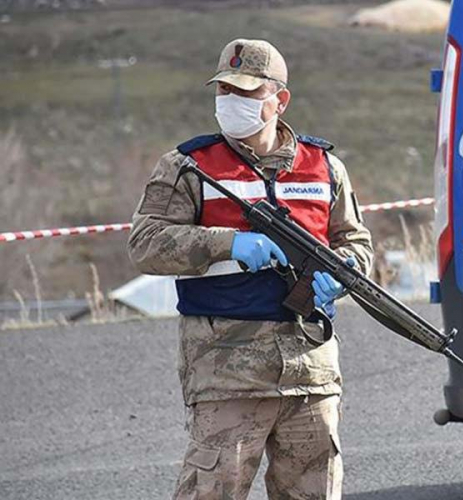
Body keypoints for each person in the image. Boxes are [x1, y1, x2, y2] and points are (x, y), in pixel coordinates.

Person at [127, 38, 373, 500]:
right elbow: (144, 245)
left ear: (279, 100)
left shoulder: (325, 168)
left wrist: (341, 274)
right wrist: (228, 243)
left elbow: (355, 242)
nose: (231, 103)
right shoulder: (188, 167)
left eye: (246, 93)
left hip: (310, 369)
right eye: (225, 92)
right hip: (227, 371)